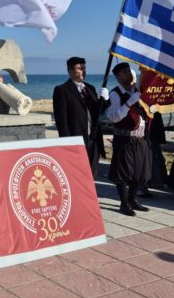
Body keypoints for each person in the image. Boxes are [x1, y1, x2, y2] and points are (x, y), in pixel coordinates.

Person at [106, 62, 152, 216]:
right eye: (125, 72)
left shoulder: (139, 91)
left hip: (140, 137)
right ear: (118, 76)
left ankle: (132, 199)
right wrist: (128, 103)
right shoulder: (115, 94)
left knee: (140, 174)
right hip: (124, 137)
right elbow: (113, 117)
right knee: (123, 173)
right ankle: (124, 203)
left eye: (129, 71)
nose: (129, 74)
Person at [52, 57, 107, 178]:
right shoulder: (62, 90)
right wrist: (67, 143)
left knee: (92, 175)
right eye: (79, 68)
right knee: (77, 175)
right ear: (70, 71)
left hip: (93, 140)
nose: (83, 71)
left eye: (84, 68)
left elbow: (97, 112)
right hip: (76, 140)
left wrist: (105, 101)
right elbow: (62, 121)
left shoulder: (90, 89)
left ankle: (90, 197)